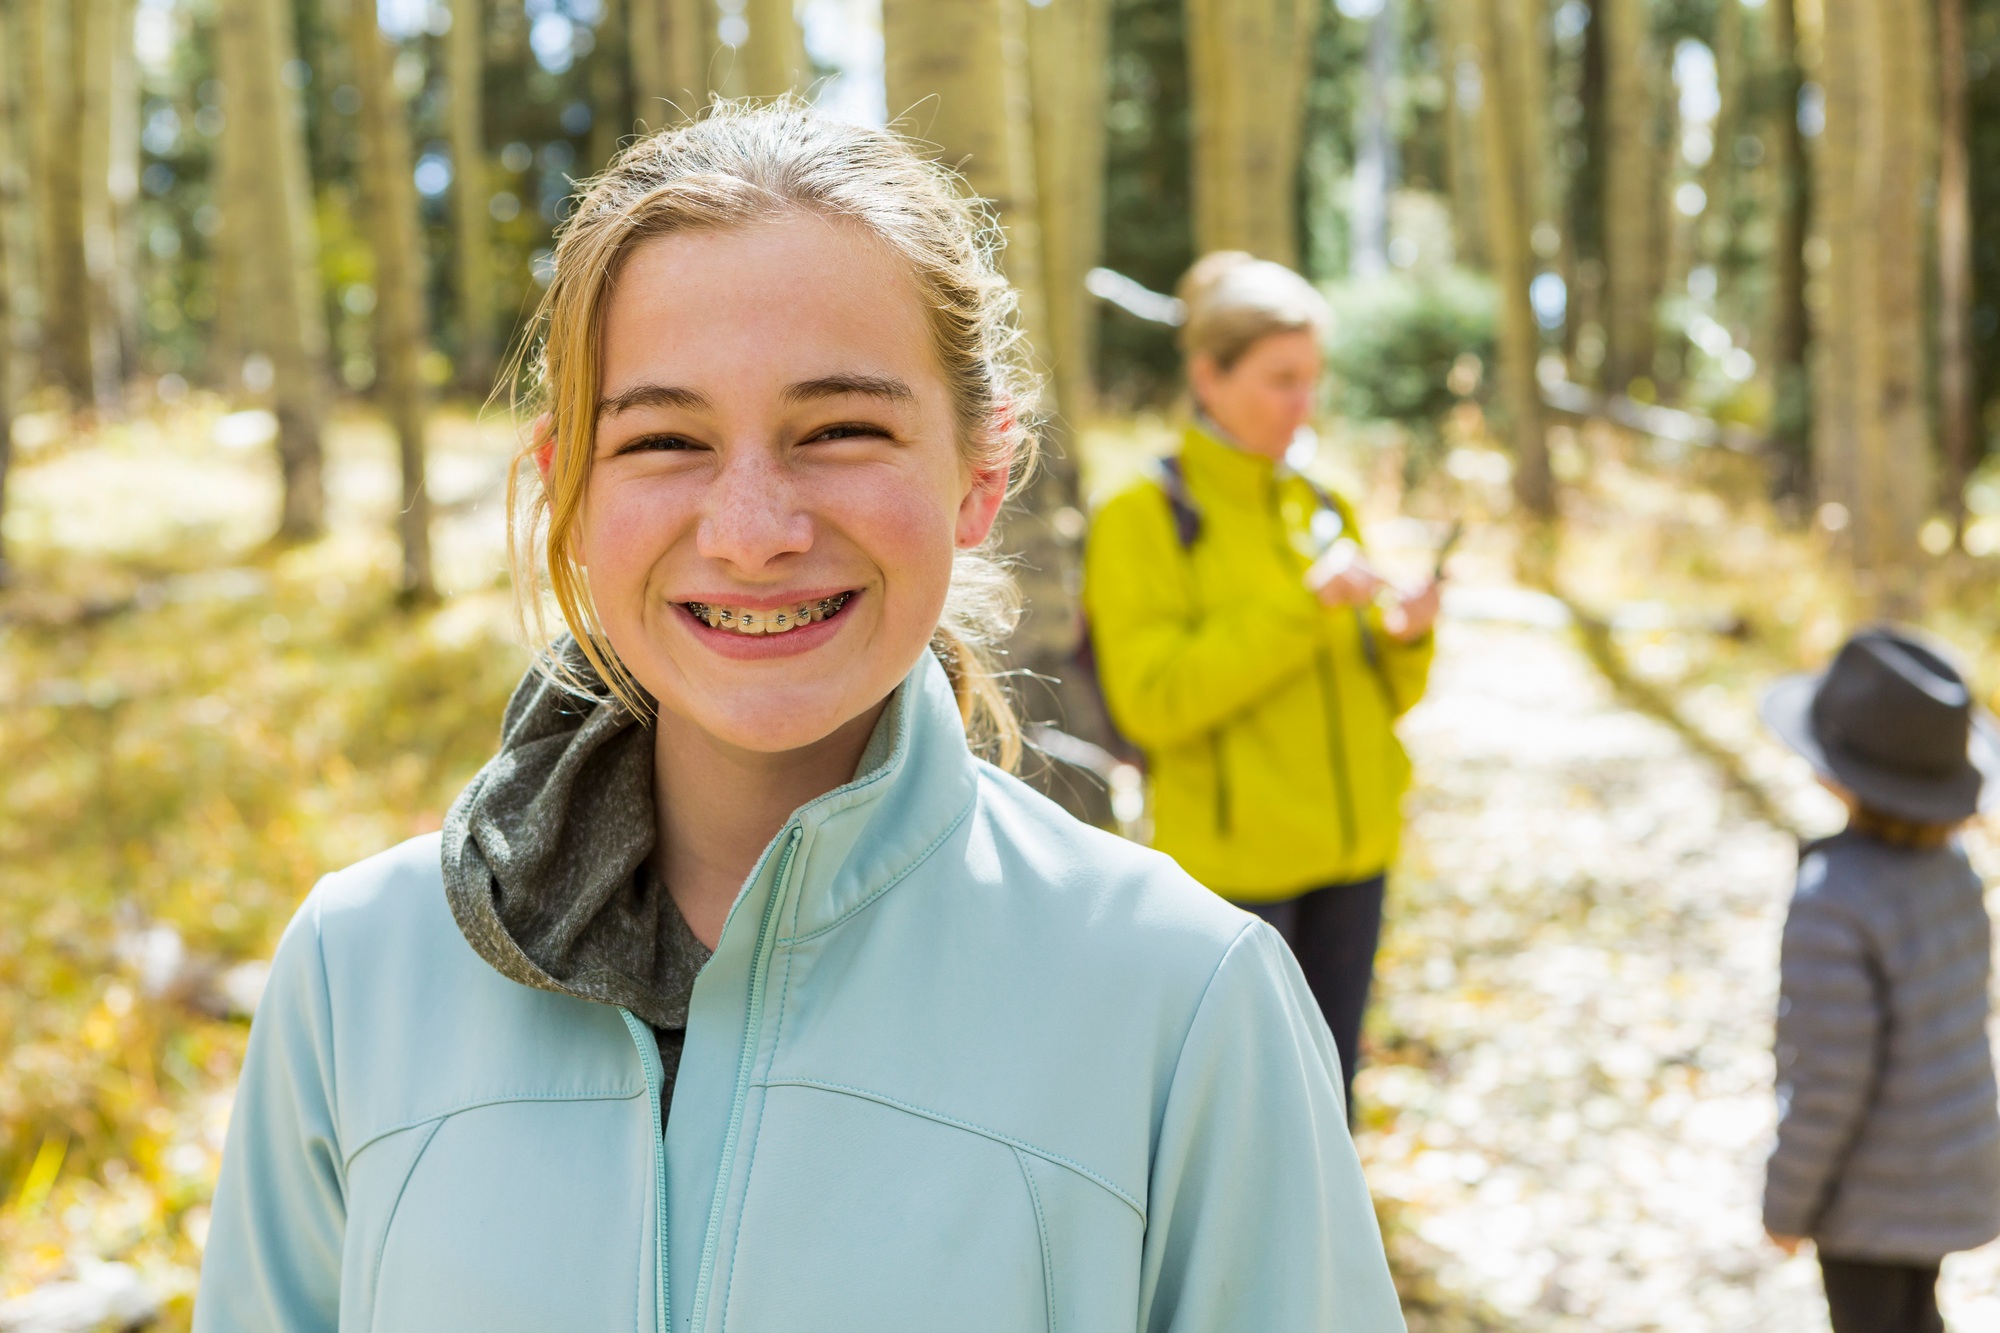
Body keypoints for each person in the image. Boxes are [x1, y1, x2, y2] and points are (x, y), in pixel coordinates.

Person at [191, 106, 1406, 1331]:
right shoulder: (358, 974)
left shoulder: (1186, 1006)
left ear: (980, 474)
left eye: (838, 431)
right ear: (566, 486)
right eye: (665, 438)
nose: (752, 527)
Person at [1082, 251, 1438, 1112]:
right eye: (1281, 379)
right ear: (1209, 374)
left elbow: (1383, 696)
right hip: (1237, 880)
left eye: (1312, 380)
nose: (1303, 405)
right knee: (1250, 1122)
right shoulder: (1143, 517)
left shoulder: (1324, 501)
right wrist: (1301, 607)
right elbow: (1155, 702)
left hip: (1354, 859)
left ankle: (1331, 1254)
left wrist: (1406, 639)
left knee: (1329, 1100)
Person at [1760, 627, 2000, 1333]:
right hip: (1948, 1168)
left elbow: (1828, 1080)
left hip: (1868, 1201)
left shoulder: (1831, 897)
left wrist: (1786, 1203)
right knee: (1917, 1314)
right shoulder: (1954, 871)